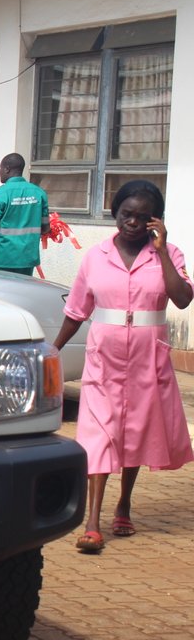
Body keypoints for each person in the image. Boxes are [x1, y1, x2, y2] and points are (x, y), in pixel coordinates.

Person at [53, 180, 193, 553]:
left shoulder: (171, 254)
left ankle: (124, 505)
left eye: (142, 217)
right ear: (115, 214)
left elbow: (181, 298)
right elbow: (77, 311)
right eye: (126, 214)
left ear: (154, 221)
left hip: (150, 358)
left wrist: (162, 252)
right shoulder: (96, 257)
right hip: (104, 359)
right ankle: (93, 522)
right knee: (99, 433)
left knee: (136, 431)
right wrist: (53, 350)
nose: (132, 222)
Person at [0, 153, 49, 275]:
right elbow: (45, 228)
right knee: (21, 293)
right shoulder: (39, 193)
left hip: (3, 259)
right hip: (27, 260)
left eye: (0, 169)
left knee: (1, 293)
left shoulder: (0, 194)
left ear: (7, 169)